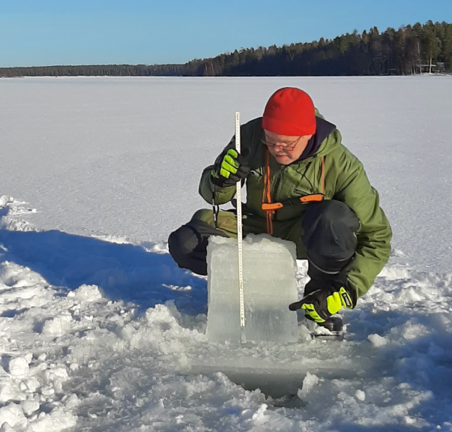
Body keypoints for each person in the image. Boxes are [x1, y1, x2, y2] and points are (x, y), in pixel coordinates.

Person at [168, 87, 392, 329]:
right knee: (186, 242)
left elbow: (377, 237)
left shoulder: (342, 165)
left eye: (285, 144)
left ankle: (319, 303)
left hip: (307, 235)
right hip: (255, 224)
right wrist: (220, 179)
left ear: (308, 135)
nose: (275, 149)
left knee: (332, 219)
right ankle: (241, 294)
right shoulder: (250, 137)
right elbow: (212, 196)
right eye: (270, 141)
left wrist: (347, 289)